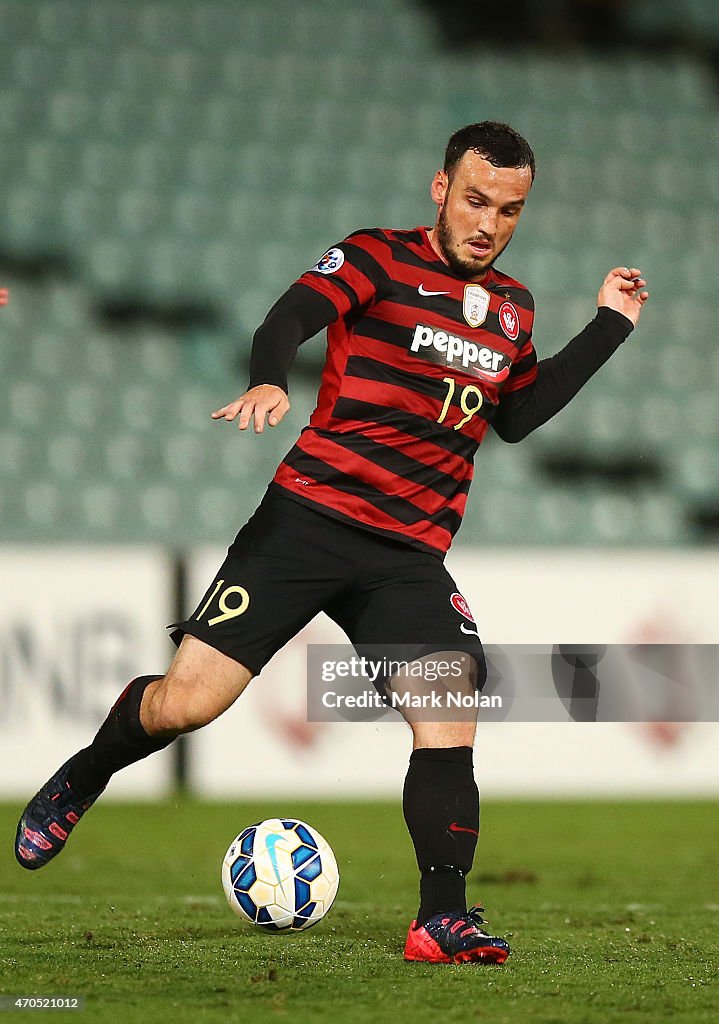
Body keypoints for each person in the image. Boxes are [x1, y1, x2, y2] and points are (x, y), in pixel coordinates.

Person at [15, 121, 648, 965]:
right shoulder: (376, 258)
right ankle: (87, 773)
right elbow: (289, 317)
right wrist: (270, 377)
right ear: (439, 189)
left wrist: (606, 327)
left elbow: (520, 416)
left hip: (406, 554)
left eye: (508, 209)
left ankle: (439, 919)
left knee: (449, 703)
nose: (487, 222)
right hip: (305, 524)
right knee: (186, 705)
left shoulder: (513, 307)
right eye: (474, 200)